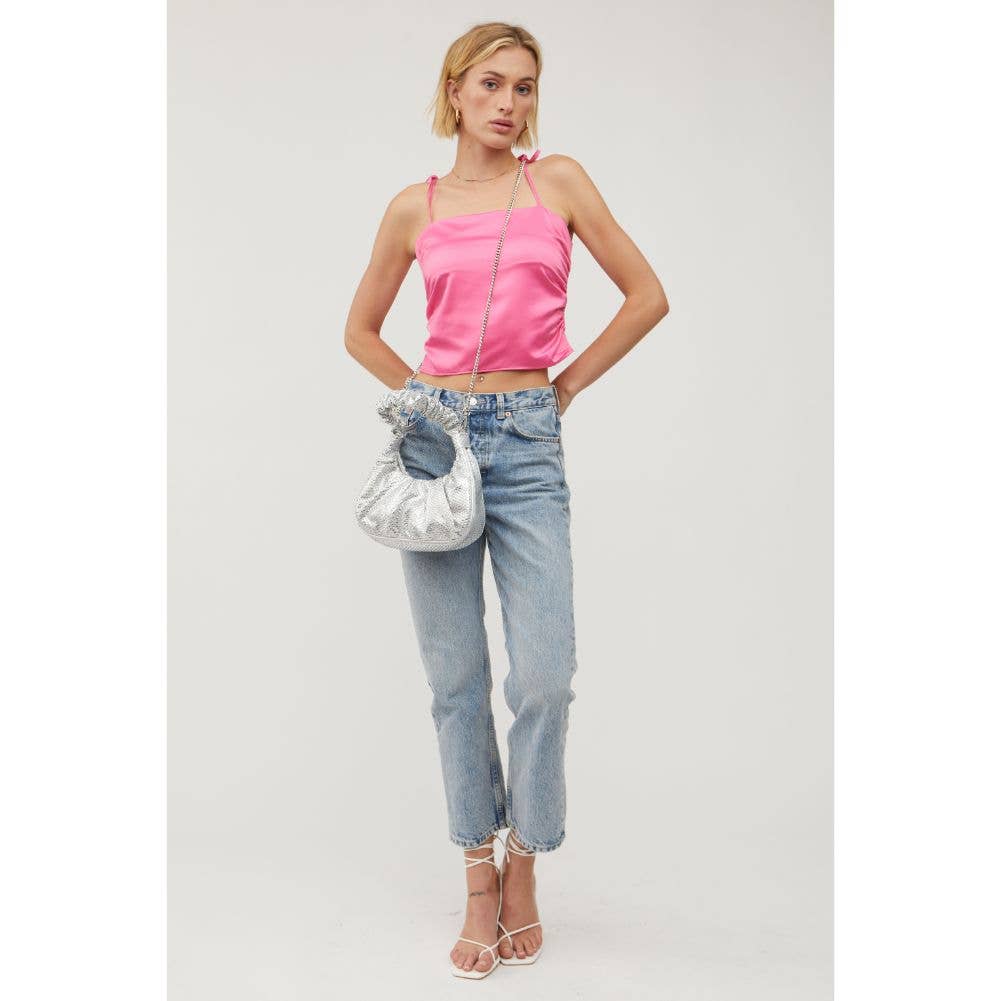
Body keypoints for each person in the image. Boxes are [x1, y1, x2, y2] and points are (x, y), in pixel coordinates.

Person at [344, 22, 669, 979]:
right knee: (454, 679)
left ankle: (526, 855)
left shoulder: (556, 182)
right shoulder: (414, 206)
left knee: (544, 675)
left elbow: (646, 295)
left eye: (524, 87)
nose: (508, 102)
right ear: (453, 90)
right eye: (490, 83)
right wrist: (426, 405)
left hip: (527, 440)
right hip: (435, 444)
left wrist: (562, 389)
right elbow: (360, 330)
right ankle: (477, 874)